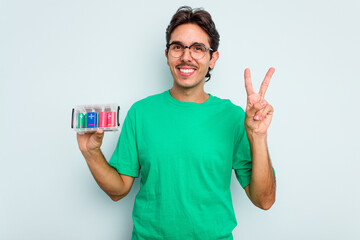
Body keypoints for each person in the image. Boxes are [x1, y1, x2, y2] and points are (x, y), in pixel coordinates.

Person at [77, 6, 276, 240]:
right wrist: (91, 152)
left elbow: (264, 200)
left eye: (198, 48)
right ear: (167, 54)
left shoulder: (233, 117)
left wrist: (258, 136)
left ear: (213, 58)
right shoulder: (141, 113)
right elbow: (118, 190)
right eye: (177, 47)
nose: (186, 56)